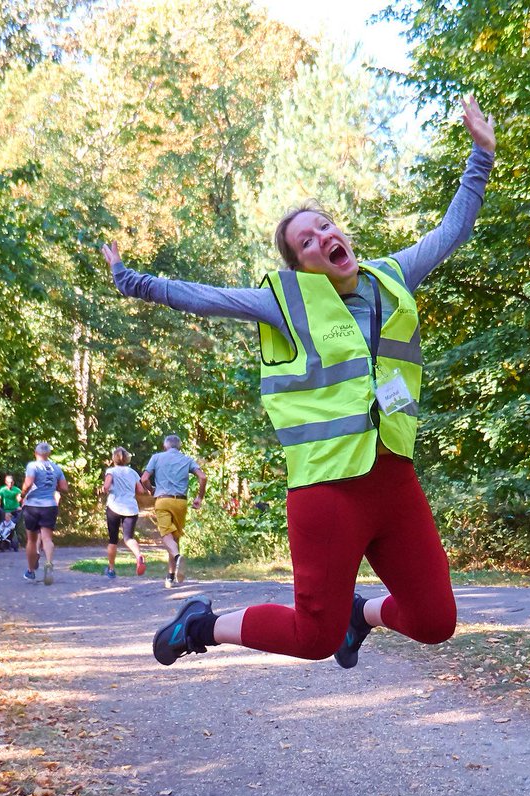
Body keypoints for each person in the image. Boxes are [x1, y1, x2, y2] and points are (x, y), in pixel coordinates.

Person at [101, 95, 495, 668]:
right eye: (305, 242)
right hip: (327, 490)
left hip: (394, 479)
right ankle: (203, 625)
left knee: (435, 621)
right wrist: (131, 281)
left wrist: (480, 155)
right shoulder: (286, 303)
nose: (321, 239)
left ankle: (360, 616)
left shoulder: (392, 278)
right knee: (313, 638)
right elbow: (206, 299)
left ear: (341, 233)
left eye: (324, 226)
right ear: (299, 264)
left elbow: (451, 230)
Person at [140, 435, 206, 587]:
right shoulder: (187, 459)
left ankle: (177, 558)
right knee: (175, 538)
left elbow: (144, 479)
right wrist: (199, 498)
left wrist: (151, 490)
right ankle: (170, 576)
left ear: (165, 446)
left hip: (163, 500)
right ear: (179, 446)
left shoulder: (156, 458)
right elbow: (202, 477)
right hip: (181, 502)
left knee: (166, 536)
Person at [19, 441, 69, 585]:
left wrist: (22, 495)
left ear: (36, 453)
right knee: (47, 539)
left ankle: (30, 571)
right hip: (50, 505)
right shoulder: (56, 468)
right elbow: (64, 487)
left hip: (33, 505)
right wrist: (53, 487)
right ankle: (48, 563)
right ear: (48, 454)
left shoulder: (32, 466)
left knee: (32, 540)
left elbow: (28, 484)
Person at [100, 446, 147, 580]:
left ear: (113, 459)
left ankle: (111, 569)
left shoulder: (111, 471)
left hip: (114, 506)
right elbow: (141, 490)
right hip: (131, 508)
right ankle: (138, 556)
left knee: (113, 540)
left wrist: (103, 489)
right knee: (129, 538)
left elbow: (107, 486)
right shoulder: (132, 472)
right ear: (127, 459)